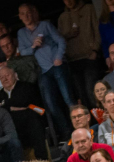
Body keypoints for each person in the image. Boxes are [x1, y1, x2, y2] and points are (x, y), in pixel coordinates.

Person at [18, 3, 76, 140]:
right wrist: (33, 46)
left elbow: (61, 40)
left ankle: (80, 129)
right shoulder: (21, 33)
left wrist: (58, 57)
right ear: (20, 17)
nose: (26, 16)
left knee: (68, 99)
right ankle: (67, 134)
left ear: (32, 13)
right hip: (42, 72)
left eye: (28, 12)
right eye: (23, 13)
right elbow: (22, 52)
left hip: (57, 66)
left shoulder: (45, 25)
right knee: (51, 105)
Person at [59, 0, 102, 108]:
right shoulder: (62, 18)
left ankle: (102, 119)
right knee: (81, 95)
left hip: (89, 56)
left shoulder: (88, 9)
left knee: (91, 91)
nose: (68, 1)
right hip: (72, 60)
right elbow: (59, 40)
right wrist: (69, 35)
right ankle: (91, 123)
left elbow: (97, 29)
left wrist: (95, 50)